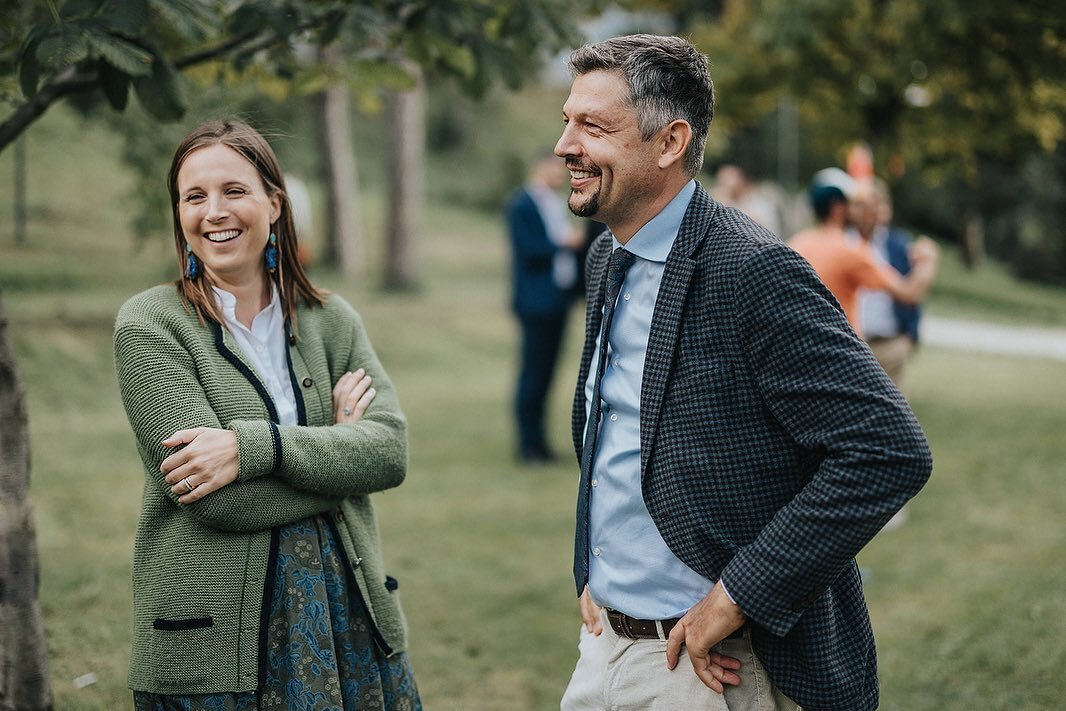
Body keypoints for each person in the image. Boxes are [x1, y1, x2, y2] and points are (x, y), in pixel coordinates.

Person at [554, 35, 932, 711]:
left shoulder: (751, 270)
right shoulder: (608, 256)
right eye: (566, 121)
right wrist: (594, 567)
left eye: (592, 126)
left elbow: (887, 450)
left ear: (669, 143)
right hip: (602, 648)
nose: (565, 146)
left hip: (710, 670)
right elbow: (611, 434)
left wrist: (736, 596)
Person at [114, 120, 421, 710]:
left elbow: (388, 453)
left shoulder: (333, 321)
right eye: (194, 196)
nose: (214, 212)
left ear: (273, 203)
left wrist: (257, 450)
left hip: (346, 613)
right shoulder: (151, 325)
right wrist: (336, 454)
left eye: (234, 190)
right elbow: (214, 498)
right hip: (211, 637)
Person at [787, 168, 938, 336]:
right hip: (837, 346)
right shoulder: (851, 250)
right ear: (837, 208)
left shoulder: (796, 243)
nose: (865, 209)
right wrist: (929, 259)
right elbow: (910, 293)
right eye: (856, 204)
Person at [506, 152, 584, 463]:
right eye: (557, 168)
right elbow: (529, 249)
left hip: (557, 299)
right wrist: (565, 244)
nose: (562, 174)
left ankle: (541, 443)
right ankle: (527, 445)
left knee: (549, 373)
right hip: (535, 302)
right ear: (541, 167)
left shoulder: (553, 202)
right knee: (533, 372)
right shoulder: (521, 204)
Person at [850, 179, 931, 392]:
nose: (872, 211)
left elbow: (914, 292)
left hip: (890, 343)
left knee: (892, 418)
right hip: (852, 343)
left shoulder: (899, 245)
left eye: (877, 204)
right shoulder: (843, 243)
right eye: (863, 205)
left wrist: (910, 339)